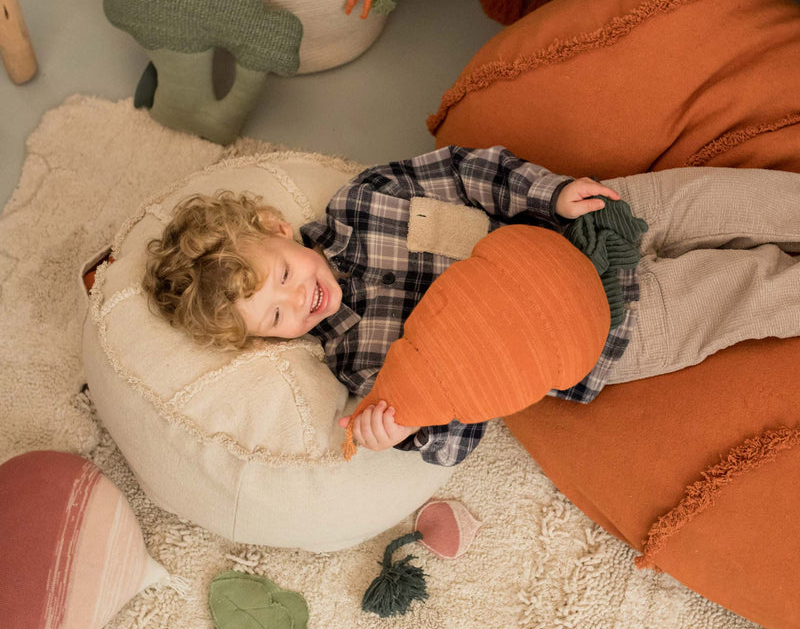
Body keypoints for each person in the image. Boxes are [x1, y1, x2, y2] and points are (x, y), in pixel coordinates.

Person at [143, 145, 800, 466]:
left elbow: (464, 170)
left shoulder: (364, 200)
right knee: (750, 291)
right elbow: (465, 422)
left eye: (283, 275)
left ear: (276, 228)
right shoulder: (358, 361)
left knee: (718, 200)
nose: (298, 299)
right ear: (271, 341)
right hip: (604, 329)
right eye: (278, 317)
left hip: (581, 222)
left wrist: (553, 193)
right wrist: (404, 429)